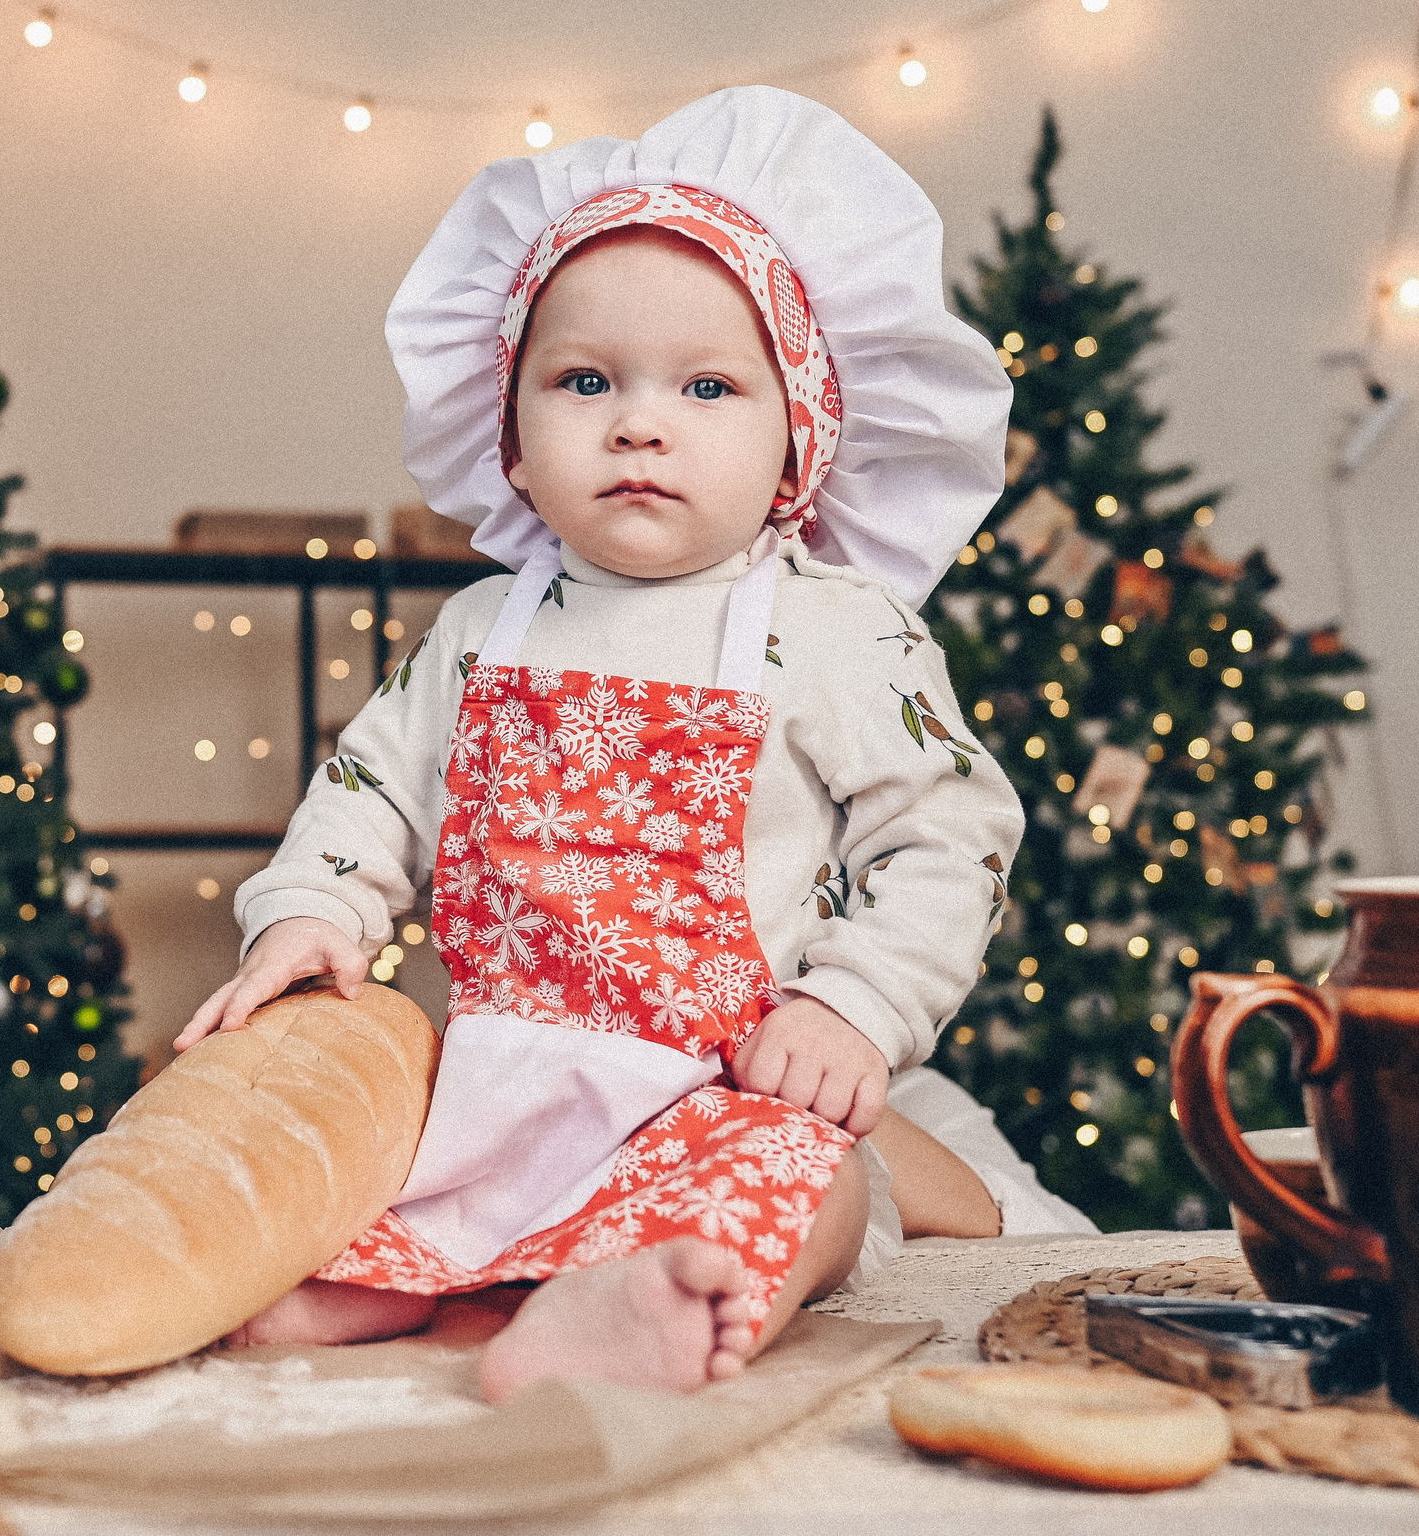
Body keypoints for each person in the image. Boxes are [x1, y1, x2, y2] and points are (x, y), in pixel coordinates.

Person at [175, 86, 1090, 1401]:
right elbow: (369, 787)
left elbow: (948, 829)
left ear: (801, 438)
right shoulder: (486, 625)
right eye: (584, 380)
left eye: (708, 385)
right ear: (511, 428)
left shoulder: (837, 632)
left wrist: (852, 1004)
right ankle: (369, 1286)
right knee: (362, 1166)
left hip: (721, 1089)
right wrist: (312, 912)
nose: (639, 422)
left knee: (816, 1181)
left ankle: (648, 1300)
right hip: (493, 1079)